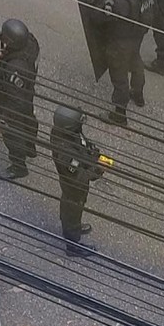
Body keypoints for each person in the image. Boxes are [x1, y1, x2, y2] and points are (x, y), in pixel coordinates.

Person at [93, 0, 156, 126]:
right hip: (138, 36)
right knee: (136, 62)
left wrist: (107, 1)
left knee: (119, 76)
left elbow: (96, 17)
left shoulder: (119, 3)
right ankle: (138, 94)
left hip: (120, 42)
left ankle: (119, 115)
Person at [0, 19, 40, 180]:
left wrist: (5, 119)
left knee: (12, 134)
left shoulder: (14, 69)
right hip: (26, 91)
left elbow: (15, 100)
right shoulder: (31, 43)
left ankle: (18, 166)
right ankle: (30, 147)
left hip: (13, 101)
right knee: (28, 119)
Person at [50, 106, 107, 257]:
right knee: (72, 207)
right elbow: (78, 176)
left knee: (77, 205)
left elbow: (82, 145)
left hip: (76, 185)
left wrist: (93, 154)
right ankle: (73, 245)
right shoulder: (65, 153)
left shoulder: (68, 132)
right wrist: (98, 169)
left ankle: (72, 227)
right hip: (73, 185)